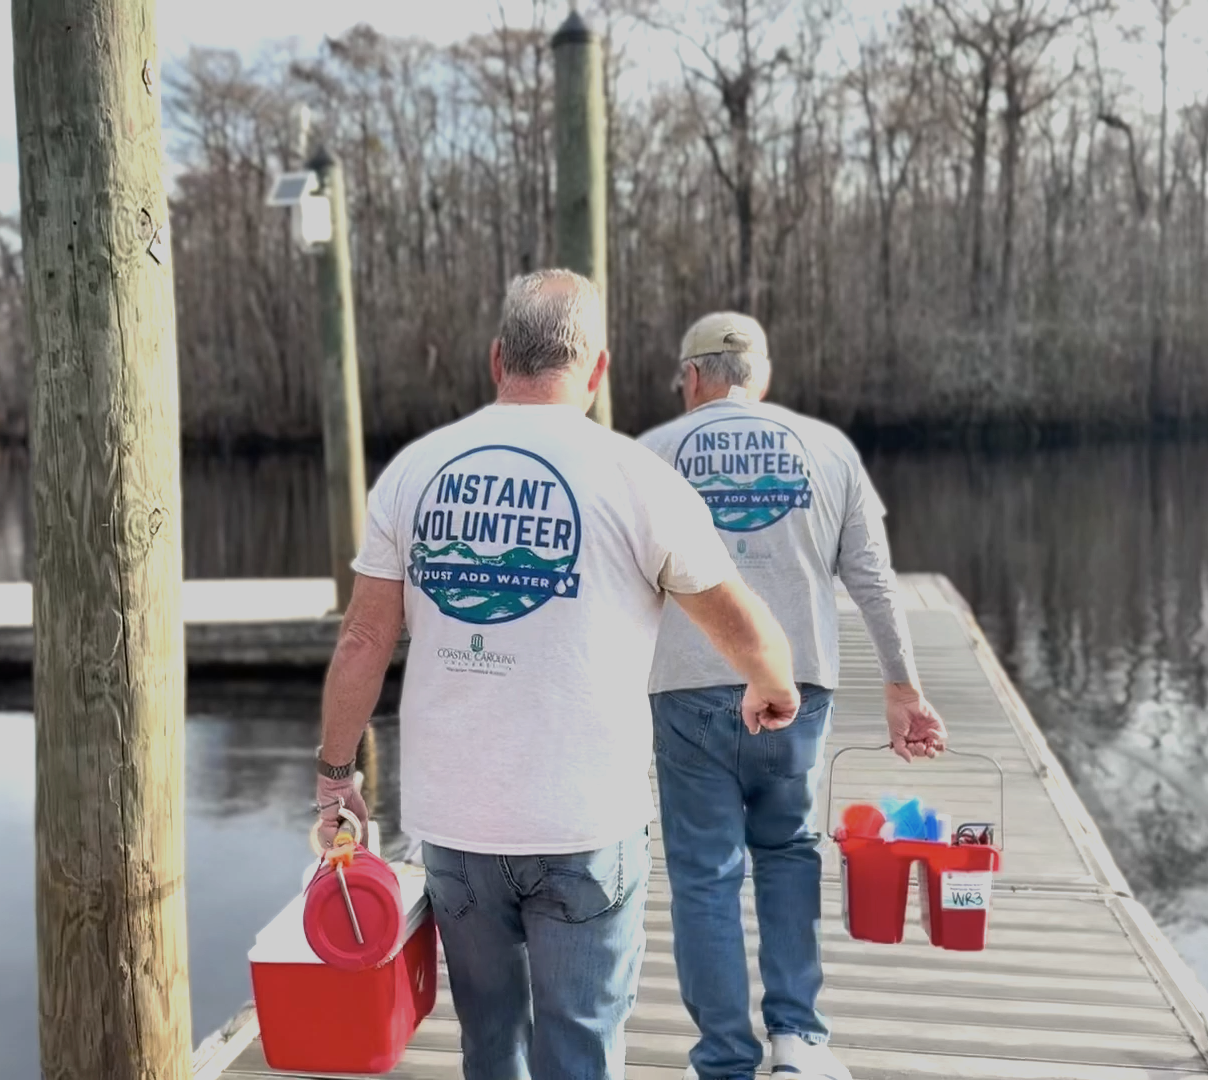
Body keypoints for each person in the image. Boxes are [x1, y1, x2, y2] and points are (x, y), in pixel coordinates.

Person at [313, 271, 801, 1080]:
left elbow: (364, 638)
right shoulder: (639, 477)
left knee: (491, 1042)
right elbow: (742, 627)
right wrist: (774, 684)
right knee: (580, 1049)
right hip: (585, 826)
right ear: (598, 370)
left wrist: (336, 776)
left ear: (497, 357)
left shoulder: (415, 471)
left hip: (458, 829)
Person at [635, 313, 950, 1080]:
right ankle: (800, 1043)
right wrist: (903, 687)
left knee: (705, 876)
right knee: (786, 854)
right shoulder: (828, 448)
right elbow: (872, 578)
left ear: (693, 378)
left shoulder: (646, 457)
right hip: (797, 691)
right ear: (761, 376)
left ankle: (723, 1059)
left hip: (686, 694)